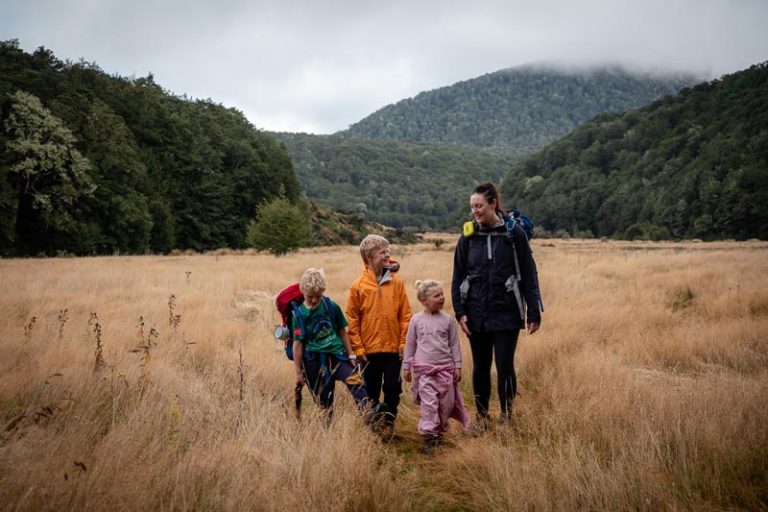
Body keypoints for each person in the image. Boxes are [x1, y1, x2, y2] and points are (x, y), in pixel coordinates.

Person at [450, 182, 542, 431]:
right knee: (480, 366)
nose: (475, 212)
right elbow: (457, 277)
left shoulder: (514, 234)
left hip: (506, 312)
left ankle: (507, 416)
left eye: (479, 206)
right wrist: (460, 312)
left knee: (504, 365)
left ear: (493, 204)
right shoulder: (468, 237)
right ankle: (481, 418)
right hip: (476, 313)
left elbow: (528, 274)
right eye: (472, 207)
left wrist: (534, 312)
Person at [346, 234, 412, 436]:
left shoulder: (397, 283)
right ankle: (374, 427)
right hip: (369, 351)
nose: (387, 255)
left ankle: (389, 420)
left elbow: (405, 315)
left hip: (393, 349)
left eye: (387, 250)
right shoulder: (358, 286)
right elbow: (352, 320)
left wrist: (403, 343)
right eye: (382, 252)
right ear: (369, 258)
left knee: (393, 387)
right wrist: (357, 348)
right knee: (372, 390)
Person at [403, 280, 470, 453]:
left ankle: (439, 431)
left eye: (442, 294)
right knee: (429, 404)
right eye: (436, 295)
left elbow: (454, 345)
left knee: (445, 405)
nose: (441, 298)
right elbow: (410, 344)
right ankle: (429, 437)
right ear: (424, 300)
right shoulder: (416, 320)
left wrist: (458, 366)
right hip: (425, 372)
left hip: (445, 371)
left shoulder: (448, 320)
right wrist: (406, 366)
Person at [291, 267, 367, 418]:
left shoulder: (331, 306)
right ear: (303, 292)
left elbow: (342, 332)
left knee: (356, 382)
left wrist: (351, 354)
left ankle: (369, 415)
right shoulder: (299, 314)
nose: (314, 300)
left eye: (318, 296)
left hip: (337, 355)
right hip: (313, 360)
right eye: (310, 296)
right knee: (323, 400)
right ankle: (328, 427)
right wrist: (298, 373)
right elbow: (297, 345)